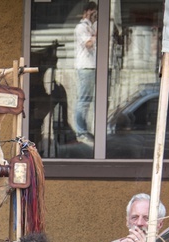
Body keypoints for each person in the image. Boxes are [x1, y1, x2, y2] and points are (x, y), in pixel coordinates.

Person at [74, 1, 97, 143]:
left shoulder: (90, 27)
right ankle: (80, 132)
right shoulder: (81, 27)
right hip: (85, 67)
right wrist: (97, 34)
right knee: (83, 100)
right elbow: (88, 44)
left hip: (91, 66)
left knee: (87, 100)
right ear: (88, 11)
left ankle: (84, 130)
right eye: (94, 13)